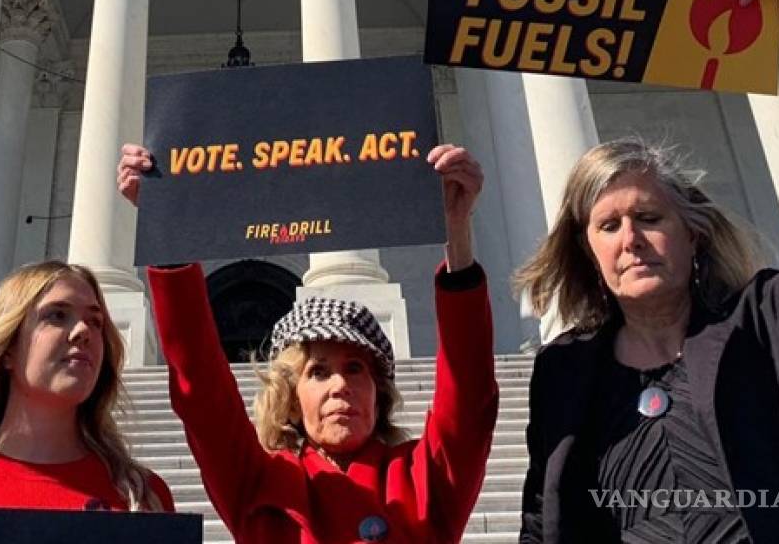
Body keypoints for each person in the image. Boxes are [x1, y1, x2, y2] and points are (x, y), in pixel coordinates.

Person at [513, 0, 779, 544]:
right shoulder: (564, 372)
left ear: (693, 233)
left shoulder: (771, 324)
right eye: (608, 226)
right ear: (588, 255)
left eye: (649, 217)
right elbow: (543, 521)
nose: (630, 239)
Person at [118, 142, 499, 543]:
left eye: (355, 368)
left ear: (379, 393)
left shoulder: (423, 478)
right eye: (318, 371)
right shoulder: (260, 483)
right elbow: (203, 394)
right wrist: (165, 227)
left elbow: (469, 396)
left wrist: (456, 230)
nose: (340, 385)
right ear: (292, 398)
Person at [0, 261, 173, 512]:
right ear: (8, 348)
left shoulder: (144, 498)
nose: (84, 331)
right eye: (57, 315)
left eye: (95, 321)